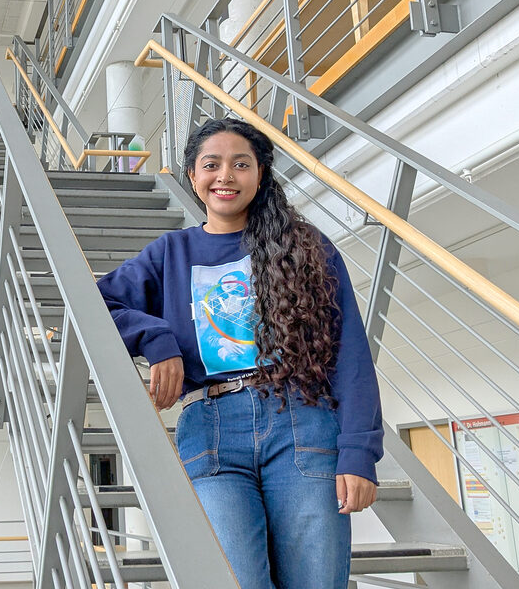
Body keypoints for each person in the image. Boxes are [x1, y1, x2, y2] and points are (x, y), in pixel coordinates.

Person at [96, 117, 384, 588]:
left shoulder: (306, 247)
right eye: (212, 165)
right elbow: (98, 302)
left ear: (262, 174)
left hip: (301, 423)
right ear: (192, 176)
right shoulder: (171, 252)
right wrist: (156, 337)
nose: (225, 176)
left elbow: (350, 354)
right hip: (209, 431)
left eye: (241, 164)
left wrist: (358, 452)